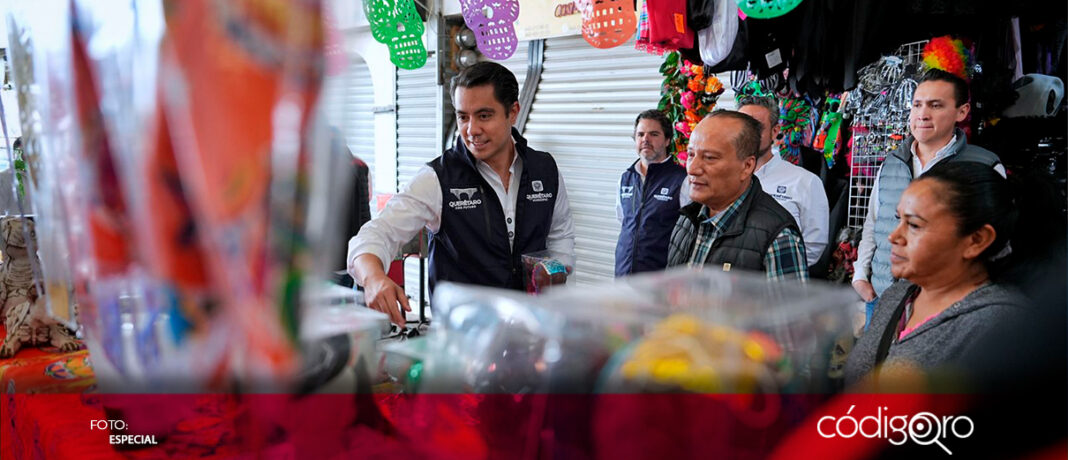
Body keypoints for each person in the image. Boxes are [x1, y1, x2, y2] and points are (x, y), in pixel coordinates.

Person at [347, 62, 576, 325]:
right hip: (462, 341)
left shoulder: (545, 170)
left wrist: (557, 286)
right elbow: (377, 233)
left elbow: (561, 240)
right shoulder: (438, 178)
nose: (471, 130)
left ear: (513, 112)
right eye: (463, 116)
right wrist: (373, 277)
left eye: (484, 115)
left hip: (529, 330)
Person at [844, 161, 1026, 385]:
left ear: (976, 240)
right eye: (898, 219)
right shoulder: (898, 295)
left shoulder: (1001, 327)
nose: (893, 237)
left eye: (914, 225)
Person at [852, 69, 1005, 306]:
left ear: (962, 112)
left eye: (935, 106)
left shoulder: (984, 165)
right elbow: (873, 223)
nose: (922, 115)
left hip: (946, 307)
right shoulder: (892, 164)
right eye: (917, 105)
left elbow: (997, 247)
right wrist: (861, 276)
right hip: (884, 300)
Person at [666, 110, 808, 281]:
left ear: (747, 166)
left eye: (709, 157)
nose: (692, 168)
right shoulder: (688, 218)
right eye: (690, 155)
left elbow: (790, 307)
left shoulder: (778, 237)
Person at [737, 96, 829, 269]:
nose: (747, 134)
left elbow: (813, 246)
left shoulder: (805, 182)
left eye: (756, 127)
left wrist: (773, 271)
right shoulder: (725, 177)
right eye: (741, 126)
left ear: (775, 131)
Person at [614, 109, 688, 277]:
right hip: (624, 274)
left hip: (661, 281)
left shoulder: (682, 180)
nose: (645, 139)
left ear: (668, 140)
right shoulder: (626, 178)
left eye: (653, 134)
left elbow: (688, 233)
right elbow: (624, 222)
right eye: (640, 134)